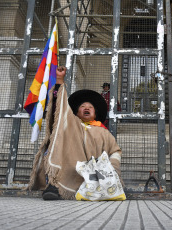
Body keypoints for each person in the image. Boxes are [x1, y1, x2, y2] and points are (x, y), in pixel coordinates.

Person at [27, 66, 123, 200]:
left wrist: (112, 170)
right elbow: (58, 112)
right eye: (82, 107)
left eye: (90, 107)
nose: (86, 108)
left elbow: (115, 151)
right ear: (76, 113)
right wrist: (60, 80)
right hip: (69, 169)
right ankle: (55, 186)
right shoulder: (70, 125)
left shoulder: (103, 132)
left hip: (92, 173)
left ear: (95, 113)